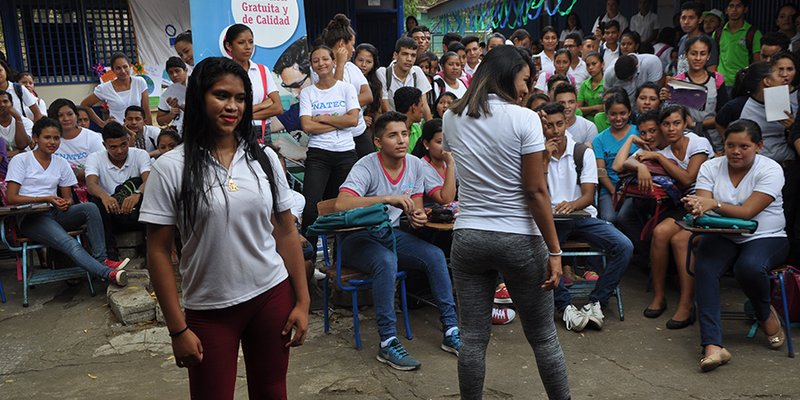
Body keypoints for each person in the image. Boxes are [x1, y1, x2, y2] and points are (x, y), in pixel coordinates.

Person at [140, 57, 309, 398]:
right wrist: (177, 329)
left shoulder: (263, 158)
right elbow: (158, 251)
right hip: (209, 308)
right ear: (199, 98)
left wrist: (302, 301)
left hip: (271, 296)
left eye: (240, 98)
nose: (232, 106)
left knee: (273, 390)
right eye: (221, 95)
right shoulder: (172, 167)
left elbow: (286, 231)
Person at [441, 45, 569, 400]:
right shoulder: (524, 118)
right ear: (508, 73)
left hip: (468, 237)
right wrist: (555, 251)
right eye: (525, 79)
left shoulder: (452, 116)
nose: (528, 89)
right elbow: (535, 191)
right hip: (519, 239)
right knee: (543, 336)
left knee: (472, 338)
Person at [336, 111, 460, 371]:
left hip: (390, 234)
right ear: (378, 141)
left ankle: (451, 330)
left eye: (404, 133)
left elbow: (414, 208)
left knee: (435, 255)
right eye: (393, 135)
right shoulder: (366, 165)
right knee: (386, 261)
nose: (402, 140)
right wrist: (386, 198)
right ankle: (387, 341)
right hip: (357, 238)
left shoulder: (414, 164)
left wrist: (417, 217)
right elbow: (341, 203)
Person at [684, 119, 788, 372]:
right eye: (731, 145)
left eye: (744, 146)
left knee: (749, 267)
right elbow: (703, 207)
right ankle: (712, 346)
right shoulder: (710, 167)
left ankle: (763, 312)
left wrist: (714, 205)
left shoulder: (771, 169)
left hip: (767, 235)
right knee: (705, 267)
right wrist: (697, 206)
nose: (736, 151)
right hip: (723, 234)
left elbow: (749, 211)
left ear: (759, 146)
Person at [538, 102, 633, 332]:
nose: (555, 130)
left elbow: (589, 195)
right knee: (540, 248)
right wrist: (543, 160)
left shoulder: (582, 152)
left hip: (582, 217)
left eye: (560, 124)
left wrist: (571, 205)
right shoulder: (536, 155)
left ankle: (596, 301)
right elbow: (536, 193)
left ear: (567, 123)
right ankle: (565, 305)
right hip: (551, 223)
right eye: (549, 126)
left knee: (624, 246)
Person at [6, 118, 128, 286]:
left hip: (55, 212)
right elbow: (11, 197)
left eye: (56, 138)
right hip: (30, 217)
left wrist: (66, 203)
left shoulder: (61, 163)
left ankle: (102, 259)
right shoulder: (21, 160)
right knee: (69, 243)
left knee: (90, 208)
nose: (52, 142)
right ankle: (108, 274)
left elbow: (68, 197)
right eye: (47, 137)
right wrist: (46, 198)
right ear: (35, 138)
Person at [630, 106, 712, 328]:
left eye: (676, 123)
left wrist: (656, 157)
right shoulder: (664, 153)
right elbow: (621, 164)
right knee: (659, 233)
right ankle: (659, 296)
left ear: (685, 123)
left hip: (709, 203)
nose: (671, 128)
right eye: (666, 124)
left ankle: (686, 305)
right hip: (683, 204)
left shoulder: (697, 143)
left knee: (678, 240)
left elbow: (687, 179)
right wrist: (640, 166)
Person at [298, 46, 360, 235]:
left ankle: (341, 255)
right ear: (312, 66)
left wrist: (321, 118)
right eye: (316, 60)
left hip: (346, 154)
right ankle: (309, 255)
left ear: (334, 62)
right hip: (319, 154)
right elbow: (307, 126)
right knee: (311, 208)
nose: (321, 64)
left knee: (343, 208)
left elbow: (353, 120)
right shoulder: (308, 93)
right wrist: (340, 122)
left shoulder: (346, 88)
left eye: (325, 59)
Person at [85, 121, 151, 261]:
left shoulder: (140, 154)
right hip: (110, 214)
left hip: (136, 212)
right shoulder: (94, 158)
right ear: (104, 145)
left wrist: (137, 194)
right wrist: (105, 197)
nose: (119, 151)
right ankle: (110, 254)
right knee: (94, 203)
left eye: (123, 145)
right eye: (113, 147)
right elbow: (91, 184)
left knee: (150, 195)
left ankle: (149, 248)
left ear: (128, 140)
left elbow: (149, 180)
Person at [661, 35, 729, 152]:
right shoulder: (677, 82)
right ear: (686, 55)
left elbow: (724, 115)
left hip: (714, 141)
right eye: (693, 53)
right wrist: (664, 98)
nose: (698, 58)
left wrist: (697, 124)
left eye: (702, 54)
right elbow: (672, 114)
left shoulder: (717, 80)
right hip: (685, 142)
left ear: (708, 56)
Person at [320, 14, 374, 158]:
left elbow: (368, 96)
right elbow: (334, 100)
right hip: (336, 139)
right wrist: (340, 65)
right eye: (352, 44)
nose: (354, 49)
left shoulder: (352, 67)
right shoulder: (320, 69)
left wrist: (346, 104)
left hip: (359, 133)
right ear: (342, 44)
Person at [223, 24, 284, 143]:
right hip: (233, 132)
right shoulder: (224, 74)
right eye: (241, 42)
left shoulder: (262, 71)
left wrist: (243, 116)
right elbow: (226, 111)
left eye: (251, 42)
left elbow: (278, 108)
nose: (248, 47)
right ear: (229, 46)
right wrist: (262, 105)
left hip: (261, 132)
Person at [593, 92, 640, 223]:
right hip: (609, 189)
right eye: (613, 114)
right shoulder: (599, 140)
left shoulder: (638, 132)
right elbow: (601, 171)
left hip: (635, 189)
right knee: (609, 218)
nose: (618, 118)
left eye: (622, 113)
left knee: (625, 217)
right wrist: (614, 192)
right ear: (607, 114)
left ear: (629, 112)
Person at [81, 53, 151, 127]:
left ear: (130, 66)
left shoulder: (139, 82)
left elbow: (146, 109)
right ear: (113, 70)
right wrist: (101, 123)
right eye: (118, 68)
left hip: (137, 129)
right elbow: (85, 105)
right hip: (116, 132)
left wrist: (150, 130)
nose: (123, 71)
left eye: (125, 67)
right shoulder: (105, 88)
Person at [48, 99, 104, 186]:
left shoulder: (93, 138)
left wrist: (73, 172)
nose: (66, 119)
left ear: (76, 116)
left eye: (70, 114)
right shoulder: (48, 140)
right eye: (60, 115)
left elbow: (102, 169)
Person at [376, 37, 433, 120]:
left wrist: (432, 129)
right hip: (393, 125)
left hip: (415, 127)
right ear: (395, 55)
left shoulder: (417, 72)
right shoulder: (383, 73)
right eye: (405, 54)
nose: (409, 59)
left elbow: (424, 105)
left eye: (413, 55)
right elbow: (385, 107)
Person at [717, 0, 763, 90]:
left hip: (742, 84)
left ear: (745, 9)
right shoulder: (718, 33)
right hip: (720, 84)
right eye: (731, 6)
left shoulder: (754, 33)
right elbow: (714, 59)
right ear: (726, 10)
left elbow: (757, 63)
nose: (734, 9)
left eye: (738, 6)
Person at [676, 2, 720, 76]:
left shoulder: (707, 41)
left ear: (700, 19)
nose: (686, 22)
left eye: (691, 18)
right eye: (683, 18)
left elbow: (711, 71)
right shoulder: (683, 39)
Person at [354, 43, 382, 154]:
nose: (363, 65)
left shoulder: (375, 84)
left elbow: (377, 111)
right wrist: (361, 118)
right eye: (360, 60)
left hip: (368, 131)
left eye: (369, 62)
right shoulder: (347, 79)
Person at [157, 57, 188, 132]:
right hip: (179, 133)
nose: (174, 75)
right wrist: (170, 115)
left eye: (177, 71)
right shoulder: (167, 94)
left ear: (186, 70)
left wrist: (180, 106)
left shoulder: (197, 86)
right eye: (170, 72)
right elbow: (160, 121)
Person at [0, 91, 33, 157]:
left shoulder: (26, 122)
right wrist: (18, 151)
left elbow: (23, 144)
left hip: (24, 161)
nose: (2, 105)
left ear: (12, 104)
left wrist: (18, 119)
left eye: (5, 101)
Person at [393, 87, 425, 154]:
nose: (423, 110)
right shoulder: (388, 130)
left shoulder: (416, 128)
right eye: (421, 105)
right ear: (414, 107)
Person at [577, 52, 605, 119]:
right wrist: (595, 108)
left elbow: (605, 108)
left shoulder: (607, 83)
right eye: (588, 65)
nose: (590, 67)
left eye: (594, 64)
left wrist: (586, 110)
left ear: (602, 64)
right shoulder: (584, 84)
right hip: (586, 122)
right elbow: (578, 110)